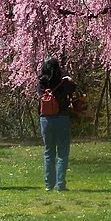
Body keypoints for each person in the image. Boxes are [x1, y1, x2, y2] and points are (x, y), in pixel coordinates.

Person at [38, 56, 79, 192]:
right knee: (62, 152)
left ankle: (48, 185)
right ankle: (60, 184)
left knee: (48, 152)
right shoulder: (64, 83)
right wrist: (70, 80)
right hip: (62, 118)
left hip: (46, 120)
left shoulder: (41, 83)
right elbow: (74, 88)